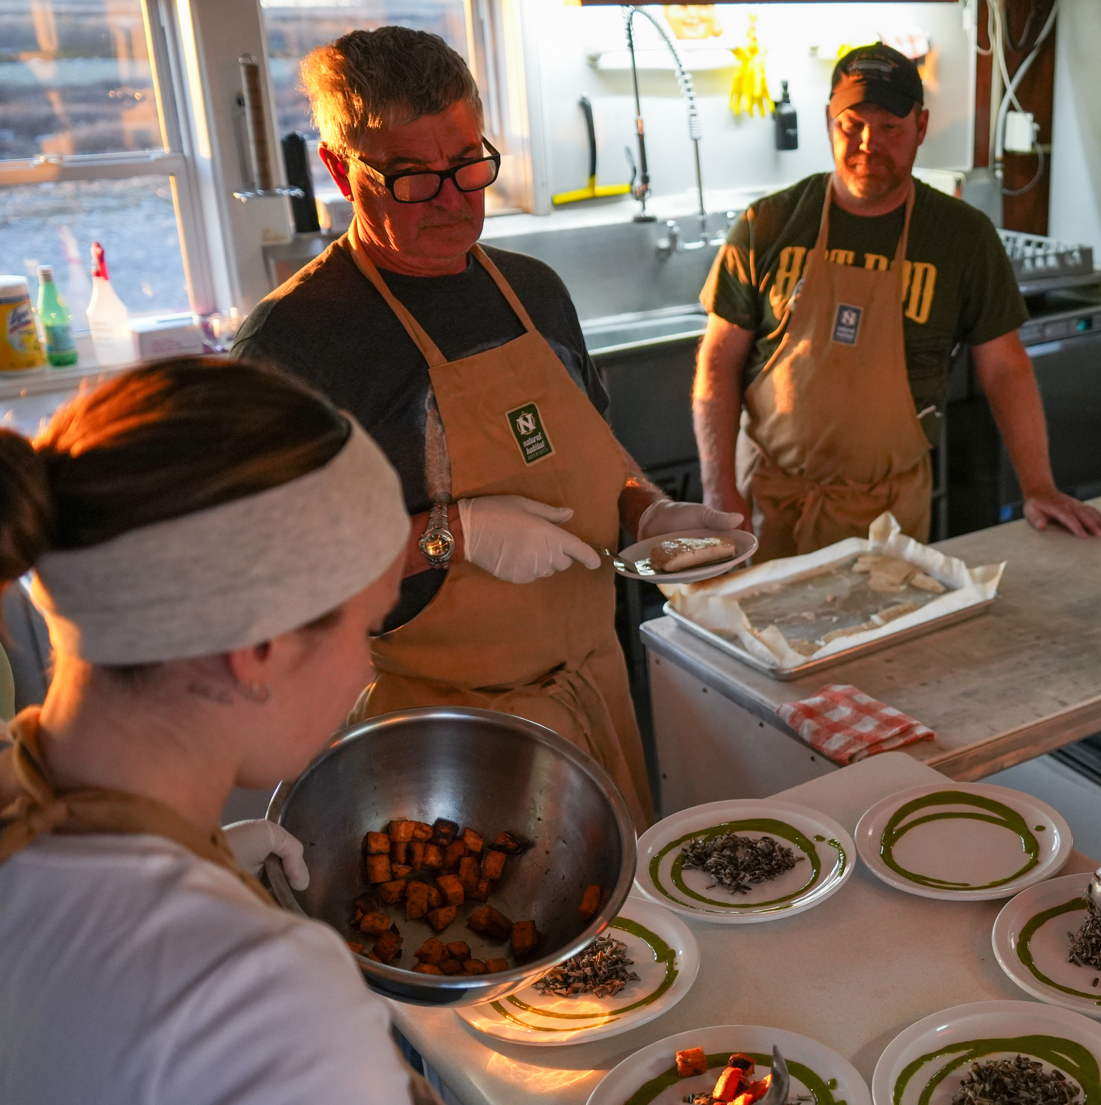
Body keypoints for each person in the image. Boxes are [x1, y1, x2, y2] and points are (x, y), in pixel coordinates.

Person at [0, 359, 751, 1105]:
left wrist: (198, 863)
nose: (365, 670)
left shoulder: (0, 801)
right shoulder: (259, 1010)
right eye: (367, 628)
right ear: (258, 649)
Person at [235, 27, 735, 830]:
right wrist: (451, 535)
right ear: (339, 168)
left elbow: (597, 460)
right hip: (435, 741)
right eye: (413, 178)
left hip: (593, 694)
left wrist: (649, 514)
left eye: (470, 163)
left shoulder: (531, 289)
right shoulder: (295, 345)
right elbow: (262, 574)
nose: (455, 199)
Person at [693, 42, 1101, 558]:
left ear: (921, 126)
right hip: (768, 507)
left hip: (889, 520)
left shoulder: (962, 237)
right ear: (829, 121)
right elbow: (717, 363)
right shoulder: (767, 224)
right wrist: (718, 492)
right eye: (852, 125)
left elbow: (1004, 367)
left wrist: (1039, 487)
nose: (869, 143)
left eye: (890, 128)